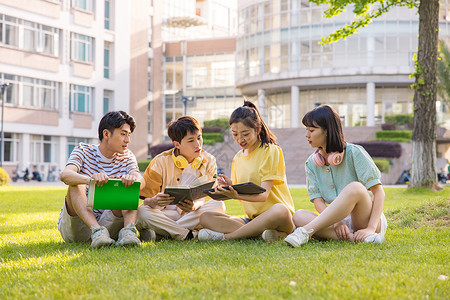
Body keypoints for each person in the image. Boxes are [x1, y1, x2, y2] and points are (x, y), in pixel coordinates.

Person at [284, 105, 388, 248]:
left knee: (355, 188)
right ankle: (360, 239)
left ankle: (305, 232)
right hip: (336, 222)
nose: (307, 135)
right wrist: (336, 222)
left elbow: (379, 193)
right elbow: (318, 201)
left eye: (312, 130)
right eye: (306, 130)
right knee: (298, 215)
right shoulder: (311, 163)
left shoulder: (355, 152)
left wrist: (370, 227)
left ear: (326, 130)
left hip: (366, 219)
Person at [197, 101, 295, 242]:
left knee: (280, 209)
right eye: (235, 134)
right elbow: (241, 194)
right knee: (205, 217)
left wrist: (235, 194)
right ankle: (263, 234)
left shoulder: (271, 150)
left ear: (258, 129)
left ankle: (227, 237)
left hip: (279, 218)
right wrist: (229, 187)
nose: (240, 139)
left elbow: (263, 196)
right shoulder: (238, 158)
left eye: (245, 134)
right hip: (252, 220)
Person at [58, 111, 142, 248]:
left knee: (131, 185)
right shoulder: (83, 150)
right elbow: (65, 175)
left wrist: (132, 178)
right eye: (123, 134)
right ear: (106, 134)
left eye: (129, 135)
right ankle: (96, 231)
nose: (128, 140)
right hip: (78, 227)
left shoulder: (127, 156)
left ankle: (128, 233)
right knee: (76, 184)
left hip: (109, 226)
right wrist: (90, 180)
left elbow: (139, 179)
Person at [136, 116, 225, 241]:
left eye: (199, 138)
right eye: (191, 140)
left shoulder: (209, 160)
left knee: (218, 204)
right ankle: (189, 234)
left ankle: (164, 232)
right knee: (142, 213)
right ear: (177, 144)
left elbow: (207, 195)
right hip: (163, 214)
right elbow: (146, 201)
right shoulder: (160, 161)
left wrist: (194, 206)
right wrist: (154, 201)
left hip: (191, 214)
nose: (197, 144)